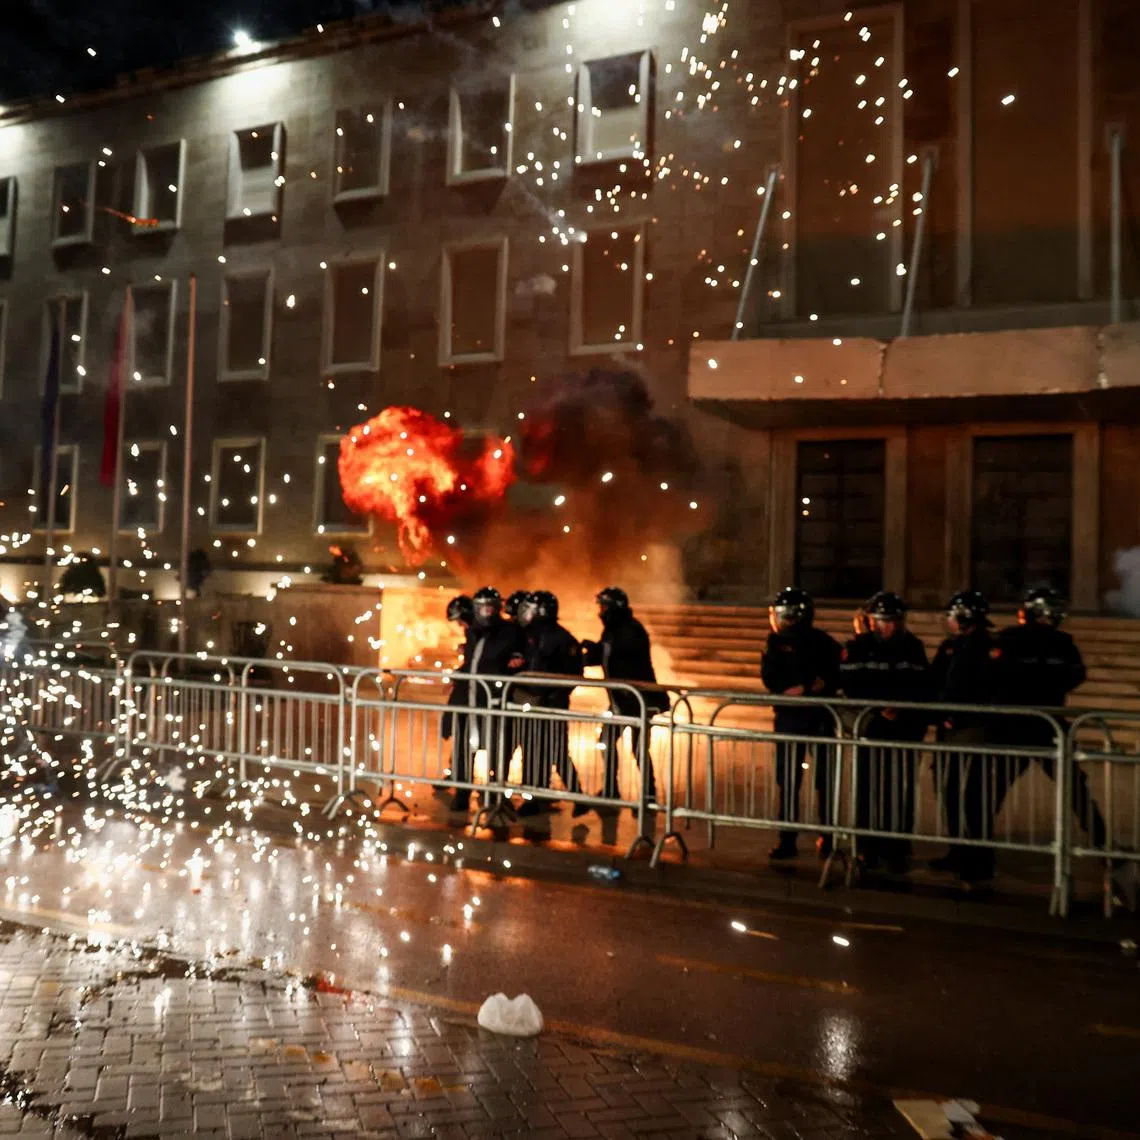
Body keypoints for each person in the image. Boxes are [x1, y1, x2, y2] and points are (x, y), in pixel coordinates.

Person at [992, 586, 1107, 853]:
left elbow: (995, 674)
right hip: (1041, 724)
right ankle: (1102, 844)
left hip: (1023, 725)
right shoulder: (1061, 644)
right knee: (1076, 791)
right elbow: (1074, 676)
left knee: (993, 790)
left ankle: (974, 852)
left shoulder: (1012, 639)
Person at [840, 590, 930, 872]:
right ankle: (867, 847)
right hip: (873, 728)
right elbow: (853, 684)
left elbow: (920, 683)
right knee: (867, 789)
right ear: (872, 621)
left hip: (904, 729)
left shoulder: (913, 646)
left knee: (901, 791)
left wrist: (900, 706)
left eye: (892, 621)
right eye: (882, 621)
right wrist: (880, 707)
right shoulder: (860, 646)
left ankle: (898, 848)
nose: (887, 626)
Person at [759, 587, 842, 861]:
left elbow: (830, 676)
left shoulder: (816, 642)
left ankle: (809, 839)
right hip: (798, 717)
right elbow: (771, 678)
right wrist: (803, 687)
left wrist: (803, 688)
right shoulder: (778, 642)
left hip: (810, 718)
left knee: (812, 781)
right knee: (798, 781)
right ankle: (801, 838)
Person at [928, 590, 1001, 882]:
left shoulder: (985, 649)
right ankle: (957, 851)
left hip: (972, 730)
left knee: (973, 797)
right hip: (949, 730)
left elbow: (985, 689)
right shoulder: (951, 647)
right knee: (949, 792)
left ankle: (979, 860)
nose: (948, 621)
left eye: (952, 616)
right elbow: (934, 681)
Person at [581, 586, 667, 807]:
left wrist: (597, 652)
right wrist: (591, 651)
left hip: (638, 702)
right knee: (607, 742)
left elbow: (619, 658)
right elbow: (604, 654)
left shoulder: (629, 630)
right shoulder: (613, 629)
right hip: (621, 702)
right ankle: (611, 789)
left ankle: (648, 795)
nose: (600, 610)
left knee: (638, 749)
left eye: (603, 606)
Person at [447, 587, 525, 813]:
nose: (485, 612)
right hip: (468, 699)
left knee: (497, 748)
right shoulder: (474, 632)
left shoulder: (510, 632)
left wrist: (517, 659)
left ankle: (494, 794)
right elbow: (473, 662)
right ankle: (462, 793)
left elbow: (518, 656)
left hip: (493, 700)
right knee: (463, 748)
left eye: (489, 607)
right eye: (481, 607)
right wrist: (459, 676)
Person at [511, 590, 588, 817]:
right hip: (534, 702)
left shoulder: (561, 639)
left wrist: (553, 695)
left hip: (551, 704)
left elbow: (574, 674)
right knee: (536, 750)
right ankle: (539, 796)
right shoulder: (528, 635)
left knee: (553, 751)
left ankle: (574, 795)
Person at [440, 594, 475, 810]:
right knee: (462, 740)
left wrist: (459, 676)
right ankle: (456, 776)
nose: (459, 625)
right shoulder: (473, 633)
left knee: (466, 741)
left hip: (472, 696)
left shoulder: (476, 633)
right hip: (468, 694)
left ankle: (463, 789)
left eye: (460, 620)